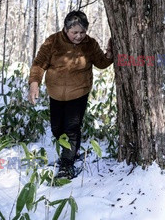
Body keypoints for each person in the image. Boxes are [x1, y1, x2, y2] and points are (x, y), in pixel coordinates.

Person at [28, 10, 113, 179]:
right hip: (56, 93)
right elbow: (39, 64)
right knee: (56, 129)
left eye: (82, 32)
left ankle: (67, 165)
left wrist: (110, 54)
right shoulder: (53, 41)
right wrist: (34, 83)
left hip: (78, 92)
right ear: (66, 29)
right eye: (75, 32)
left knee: (72, 128)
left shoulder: (90, 44)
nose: (79, 36)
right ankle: (71, 152)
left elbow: (101, 63)